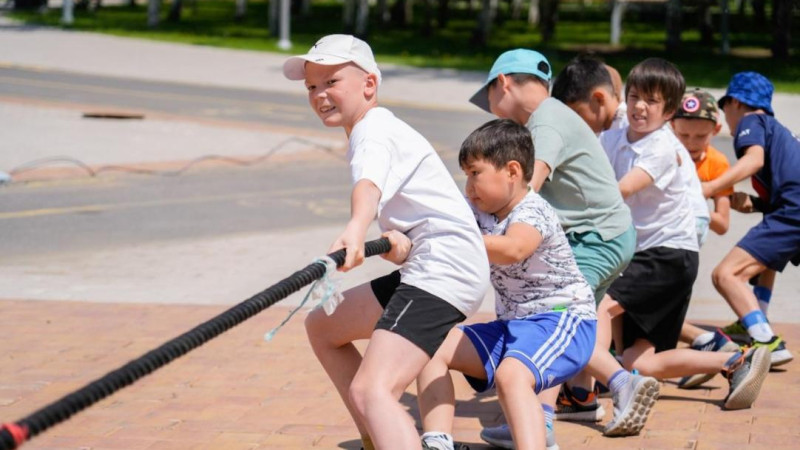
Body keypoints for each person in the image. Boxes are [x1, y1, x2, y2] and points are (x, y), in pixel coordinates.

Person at [285, 34, 491, 450]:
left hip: (443, 271)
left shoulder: (372, 131)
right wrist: (398, 243)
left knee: (372, 390)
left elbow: (369, 184)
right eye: (311, 86)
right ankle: (377, 440)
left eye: (331, 81)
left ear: (369, 85)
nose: (320, 94)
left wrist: (357, 227)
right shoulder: (378, 128)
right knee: (324, 326)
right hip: (431, 264)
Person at [469, 49, 651, 440]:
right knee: (563, 324)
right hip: (604, 234)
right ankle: (553, 416)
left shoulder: (545, 123)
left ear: (503, 83)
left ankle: (621, 383)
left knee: (556, 314)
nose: (491, 109)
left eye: (488, 97)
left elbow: (526, 191)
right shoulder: (551, 116)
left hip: (596, 236)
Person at [414, 119, 598, 450]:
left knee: (511, 377)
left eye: (475, 173)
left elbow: (514, 249)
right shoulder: (478, 212)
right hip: (514, 326)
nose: (467, 186)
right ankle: (438, 440)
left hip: (563, 318)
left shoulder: (534, 210)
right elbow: (438, 227)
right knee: (427, 347)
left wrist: (457, 238)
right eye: (466, 175)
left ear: (512, 172)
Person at [598, 58, 771, 411]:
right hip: (645, 253)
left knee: (597, 306)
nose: (639, 107)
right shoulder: (617, 130)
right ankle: (736, 360)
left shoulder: (663, 146)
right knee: (638, 362)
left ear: (670, 112)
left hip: (666, 256)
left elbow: (620, 191)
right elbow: (604, 88)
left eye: (652, 101)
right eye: (633, 97)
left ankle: (583, 392)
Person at [702, 71, 798, 367]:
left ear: (736, 103)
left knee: (725, 274)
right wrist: (756, 204)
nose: (726, 119)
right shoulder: (776, 130)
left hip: (793, 212)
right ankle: (753, 322)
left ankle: (767, 342)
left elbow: (753, 160)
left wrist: (709, 187)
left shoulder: (750, 121)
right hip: (791, 210)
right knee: (763, 262)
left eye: (725, 108)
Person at [551, 55, 625, 135]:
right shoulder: (604, 130)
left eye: (576, 115)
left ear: (598, 99)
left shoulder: (630, 132)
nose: (572, 125)